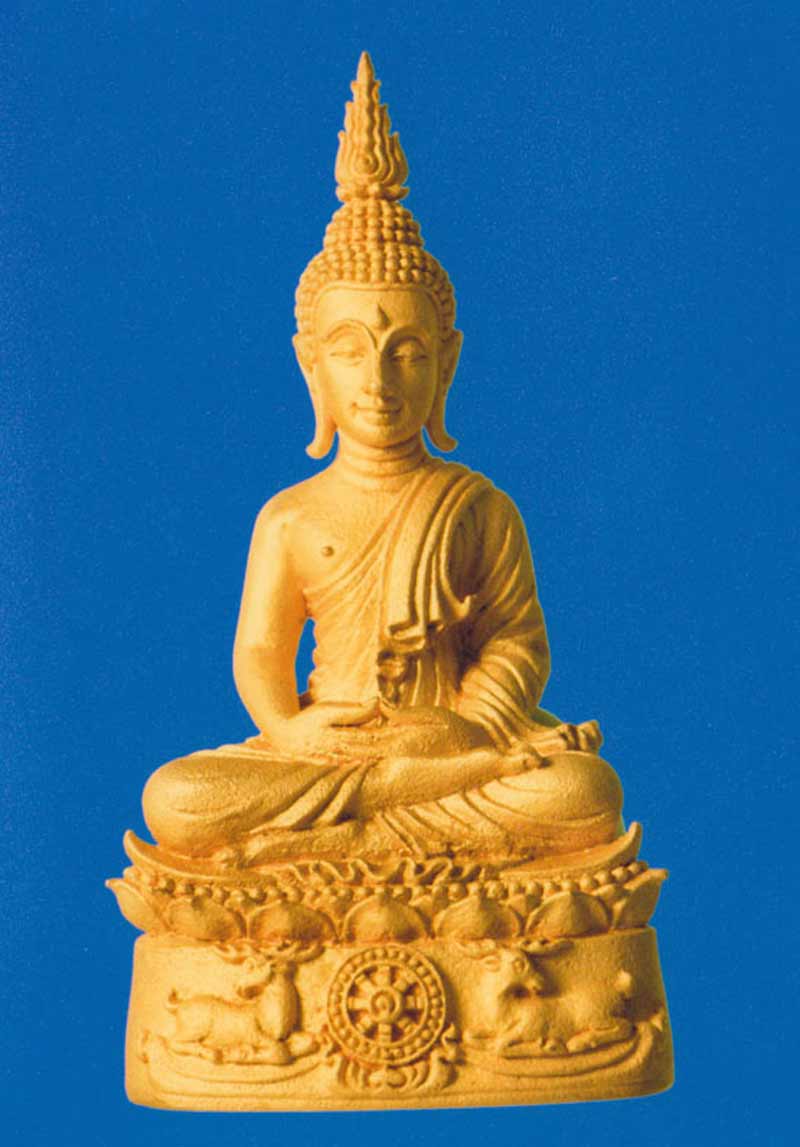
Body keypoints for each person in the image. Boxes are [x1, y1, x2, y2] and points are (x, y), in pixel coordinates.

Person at [142, 55, 623, 865]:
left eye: (406, 351)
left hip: (449, 742)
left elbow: (517, 641)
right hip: (328, 751)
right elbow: (260, 650)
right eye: (349, 350)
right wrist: (289, 728)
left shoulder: (478, 507)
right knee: (178, 797)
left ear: (447, 363)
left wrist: (467, 728)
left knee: (583, 793)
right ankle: (387, 810)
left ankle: (340, 833)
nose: (377, 380)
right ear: (311, 366)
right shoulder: (290, 516)